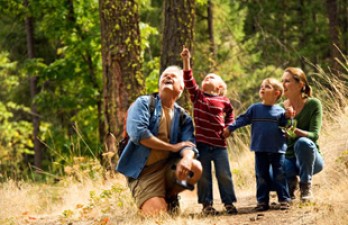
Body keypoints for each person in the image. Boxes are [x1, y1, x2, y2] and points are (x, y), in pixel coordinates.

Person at [116, 65, 203, 217]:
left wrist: (187, 158)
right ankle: (154, 198)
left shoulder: (183, 116)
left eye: (173, 76)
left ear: (181, 87)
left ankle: (170, 195)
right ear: (159, 84)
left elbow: (189, 143)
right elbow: (139, 134)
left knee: (195, 167)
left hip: (167, 167)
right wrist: (171, 147)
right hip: (144, 173)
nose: (168, 77)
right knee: (159, 215)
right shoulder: (143, 103)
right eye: (165, 76)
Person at [181, 47, 238, 216]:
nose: (207, 78)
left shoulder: (224, 100)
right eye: (205, 77)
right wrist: (186, 61)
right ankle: (207, 205)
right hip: (203, 144)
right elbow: (189, 80)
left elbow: (231, 115)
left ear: (220, 88)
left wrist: (229, 128)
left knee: (224, 175)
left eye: (211, 77)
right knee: (204, 176)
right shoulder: (198, 96)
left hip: (220, 145)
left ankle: (228, 203)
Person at [223, 78, 292, 211]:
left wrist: (289, 116)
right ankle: (262, 201)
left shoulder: (280, 111)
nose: (262, 88)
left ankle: (284, 199)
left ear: (277, 93)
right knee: (261, 175)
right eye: (261, 86)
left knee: (279, 174)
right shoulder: (255, 108)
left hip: (277, 149)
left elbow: (287, 125)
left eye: (267, 86)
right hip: (260, 148)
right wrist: (230, 128)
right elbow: (243, 119)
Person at [281, 67, 324, 201]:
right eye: (282, 81)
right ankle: (290, 183)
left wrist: (296, 132)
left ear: (300, 85)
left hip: (310, 159)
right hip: (288, 159)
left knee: (303, 142)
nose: (283, 85)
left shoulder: (314, 104)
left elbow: (314, 135)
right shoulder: (279, 108)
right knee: (270, 173)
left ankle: (305, 186)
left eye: (287, 81)